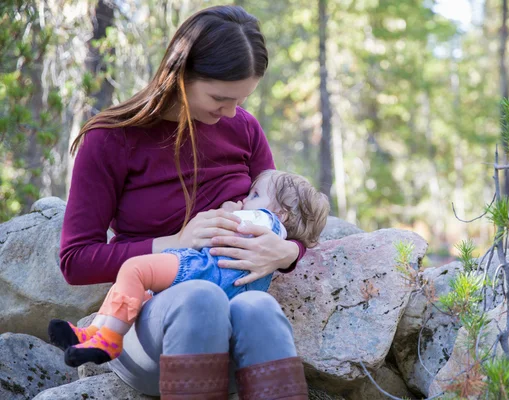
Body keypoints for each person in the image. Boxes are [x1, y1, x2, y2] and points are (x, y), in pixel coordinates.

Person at [58, 5, 323, 399]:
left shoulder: (243, 128)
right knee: (201, 297)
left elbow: (289, 212)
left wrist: (284, 251)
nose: (232, 112)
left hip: (243, 343)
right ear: (181, 75)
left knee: (260, 308)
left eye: (241, 99)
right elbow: (76, 260)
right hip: (151, 336)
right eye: (220, 97)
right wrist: (176, 242)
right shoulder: (110, 140)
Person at [49, 170, 329, 369]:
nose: (245, 198)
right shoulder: (273, 233)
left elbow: (230, 222)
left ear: (279, 214)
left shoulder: (262, 220)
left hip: (202, 269)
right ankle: (94, 333)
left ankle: (108, 338)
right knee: (141, 294)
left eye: (254, 194)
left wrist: (229, 209)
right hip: (227, 295)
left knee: (135, 270)